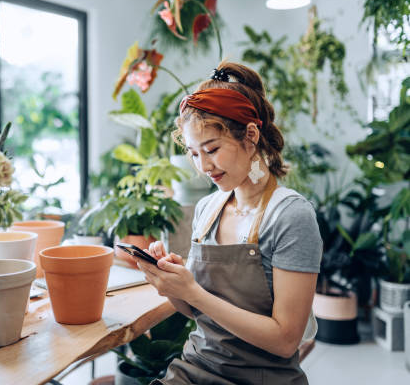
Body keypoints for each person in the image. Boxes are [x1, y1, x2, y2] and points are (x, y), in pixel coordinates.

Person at [136, 61, 322, 385]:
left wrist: (194, 292)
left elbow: (285, 340)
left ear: (251, 135)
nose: (203, 165)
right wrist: (170, 285)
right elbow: (198, 313)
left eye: (212, 149)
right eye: (194, 154)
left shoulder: (291, 217)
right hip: (194, 371)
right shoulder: (208, 208)